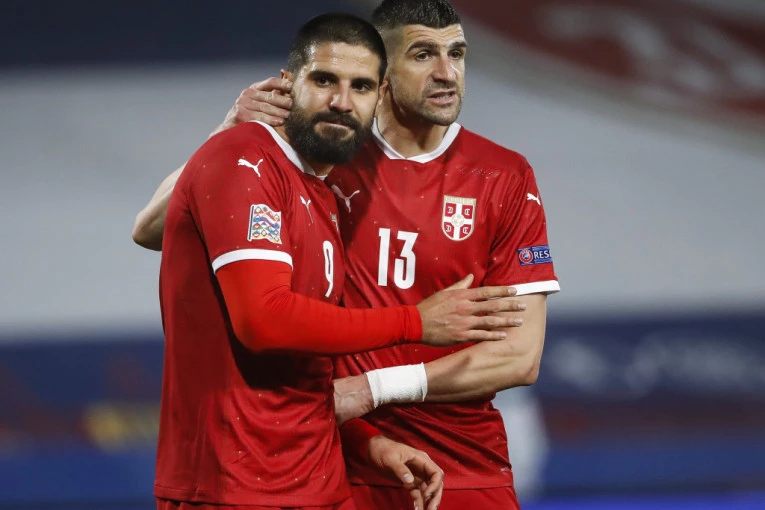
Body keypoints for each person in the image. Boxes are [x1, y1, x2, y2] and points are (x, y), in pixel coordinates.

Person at [150, 12, 524, 510]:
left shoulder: (326, 193)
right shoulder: (244, 157)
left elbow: (304, 372)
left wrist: (370, 443)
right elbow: (262, 319)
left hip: (321, 478)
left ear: (378, 94)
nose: (342, 101)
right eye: (324, 80)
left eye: (360, 86)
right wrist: (415, 322)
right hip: (233, 485)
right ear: (288, 84)